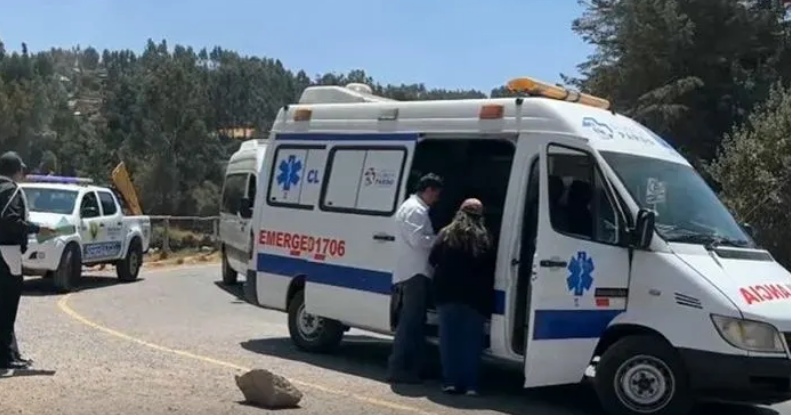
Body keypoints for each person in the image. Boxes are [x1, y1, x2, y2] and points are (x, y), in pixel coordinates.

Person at [429, 198, 495, 396]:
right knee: (472, 343)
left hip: (447, 295)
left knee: (449, 341)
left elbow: (432, 260)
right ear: (480, 216)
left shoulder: (445, 234)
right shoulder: (485, 237)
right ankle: (471, 385)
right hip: (475, 299)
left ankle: (451, 382)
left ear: (459, 212)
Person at [387, 173, 443, 384]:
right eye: (435, 195)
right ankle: (398, 368)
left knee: (415, 323)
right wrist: (440, 238)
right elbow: (418, 240)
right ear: (428, 190)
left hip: (413, 271)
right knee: (409, 323)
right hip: (415, 273)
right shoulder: (415, 210)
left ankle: (414, 367)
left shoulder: (413, 207)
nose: (436, 200)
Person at [0, 151, 54, 371]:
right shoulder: (10, 191)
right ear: (17, 170)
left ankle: (11, 353)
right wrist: (38, 229)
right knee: (7, 308)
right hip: (7, 254)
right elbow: (9, 221)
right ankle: (5, 358)